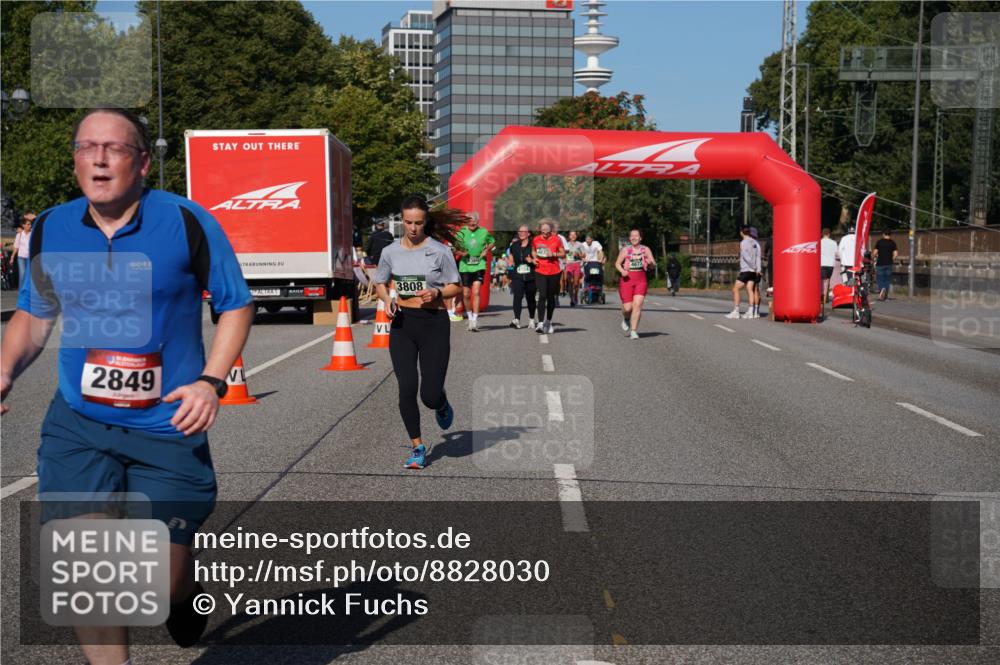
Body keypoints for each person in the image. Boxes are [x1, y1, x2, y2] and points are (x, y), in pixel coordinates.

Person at [0, 107, 254, 664]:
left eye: (113, 148)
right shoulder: (52, 227)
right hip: (80, 425)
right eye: (86, 146)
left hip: (167, 426)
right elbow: (34, 315)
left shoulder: (186, 221)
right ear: (74, 160)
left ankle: (183, 599)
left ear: (141, 162)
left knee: (159, 587)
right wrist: (4, 369)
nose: (97, 158)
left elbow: (235, 305)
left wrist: (211, 381)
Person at [374, 195, 462, 470]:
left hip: (434, 323)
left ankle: (441, 401)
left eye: (419, 223)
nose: (413, 228)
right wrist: (387, 300)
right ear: (402, 220)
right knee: (407, 387)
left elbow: (455, 286)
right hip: (402, 325)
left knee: (429, 395)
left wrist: (437, 291)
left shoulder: (439, 251)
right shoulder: (390, 252)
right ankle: (417, 447)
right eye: (408, 222)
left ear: (426, 222)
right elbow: (379, 282)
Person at [453, 213, 495, 332]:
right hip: (465, 266)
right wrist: (461, 253)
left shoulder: (484, 232)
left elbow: (492, 242)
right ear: (466, 222)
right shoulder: (461, 233)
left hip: (479, 264)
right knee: (466, 294)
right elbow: (454, 248)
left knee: (476, 291)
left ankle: (475, 320)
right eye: (470, 221)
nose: (472, 223)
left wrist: (487, 250)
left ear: (478, 221)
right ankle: (470, 317)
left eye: (474, 221)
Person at [614, 229, 655, 339]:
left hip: (641, 280)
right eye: (632, 236)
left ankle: (633, 331)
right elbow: (617, 263)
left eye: (636, 236)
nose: (634, 237)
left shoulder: (645, 249)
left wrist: (651, 264)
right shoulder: (625, 250)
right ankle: (626, 318)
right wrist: (622, 271)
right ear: (629, 238)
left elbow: (652, 263)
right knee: (627, 308)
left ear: (640, 238)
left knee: (637, 305)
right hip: (627, 280)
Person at [531, 219, 565, 334]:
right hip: (540, 270)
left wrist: (554, 254)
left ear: (551, 230)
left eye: (547, 230)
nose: (545, 232)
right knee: (542, 295)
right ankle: (540, 323)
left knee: (551, 298)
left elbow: (563, 253)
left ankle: (548, 321)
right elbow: (533, 251)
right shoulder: (536, 239)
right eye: (543, 229)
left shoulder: (557, 239)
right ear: (540, 229)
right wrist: (534, 258)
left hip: (554, 271)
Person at [506, 224, 538, 329]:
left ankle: (532, 319)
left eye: (524, 231)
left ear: (528, 233)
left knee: (530, 298)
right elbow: (510, 261)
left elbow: (537, 261)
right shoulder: (514, 246)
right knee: (517, 296)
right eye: (520, 231)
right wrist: (510, 273)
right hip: (517, 275)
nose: (522, 233)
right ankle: (517, 320)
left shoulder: (533, 245)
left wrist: (531, 261)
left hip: (531, 275)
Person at [726, 225, 761, 319]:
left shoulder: (743, 243)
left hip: (746, 270)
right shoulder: (755, 242)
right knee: (750, 290)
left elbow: (746, 256)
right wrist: (757, 269)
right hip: (754, 271)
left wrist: (752, 266)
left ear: (741, 232)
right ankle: (751, 311)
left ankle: (736, 311)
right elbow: (758, 257)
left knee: (735, 289)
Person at [872, 229, 898, 301]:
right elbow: (895, 254)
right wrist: (891, 259)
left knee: (879, 279)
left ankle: (882, 288)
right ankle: (885, 297)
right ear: (890, 234)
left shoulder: (879, 242)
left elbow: (875, 253)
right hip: (889, 264)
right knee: (887, 280)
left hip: (880, 263)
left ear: (883, 234)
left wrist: (872, 258)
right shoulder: (892, 243)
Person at [12, 212, 34, 287]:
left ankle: (28, 289)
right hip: (21, 257)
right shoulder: (19, 234)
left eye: (30, 224)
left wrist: (34, 217)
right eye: (28, 224)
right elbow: (16, 246)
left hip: (30, 257)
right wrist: (12, 257)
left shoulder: (33, 233)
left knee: (29, 274)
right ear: (23, 225)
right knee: (22, 273)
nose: (30, 226)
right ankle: (22, 290)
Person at [563, 230, 584, 306]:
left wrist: (578, 254)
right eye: (571, 235)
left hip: (577, 264)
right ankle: (571, 299)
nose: (573, 236)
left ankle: (575, 296)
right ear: (569, 236)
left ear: (576, 236)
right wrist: (564, 259)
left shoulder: (580, 244)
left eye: (574, 235)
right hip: (569, 265)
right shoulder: (566, 245)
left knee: (576, 283)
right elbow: (563, 254)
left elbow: (584, 255)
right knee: (570, 282)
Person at [819, 227, 838, 303]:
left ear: (823, 234)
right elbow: (837, 253)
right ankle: (825, 298)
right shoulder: (833, 243)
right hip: (830, 264)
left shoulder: (819, 242)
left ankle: (822, 297)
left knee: (822, 281)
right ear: (829, 234)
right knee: (827, 280)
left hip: (822, 263)